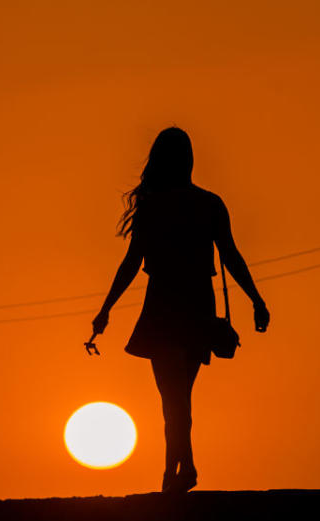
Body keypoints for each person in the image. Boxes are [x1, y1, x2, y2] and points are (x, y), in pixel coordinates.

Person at [91, 126, 270, 494]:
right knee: (178, 395)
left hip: (163, 306)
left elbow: (131, 262)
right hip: (197, 305)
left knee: (172, 397)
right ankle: (174, 473)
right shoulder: (210, 204)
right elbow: (231, 257)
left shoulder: (152, 207)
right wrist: (256, 300)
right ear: (188, 160)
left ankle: (181, 469)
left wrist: (106, 308)